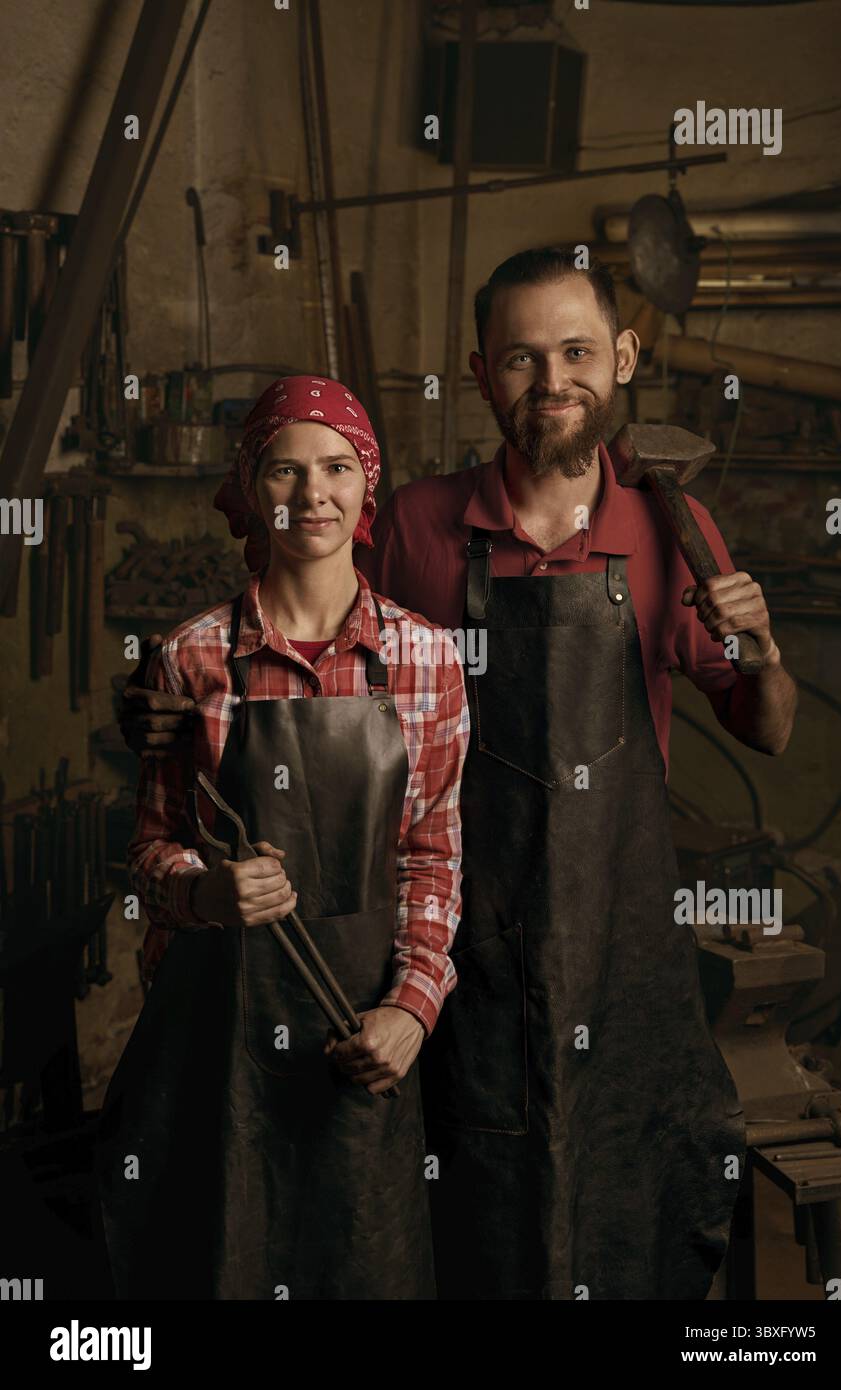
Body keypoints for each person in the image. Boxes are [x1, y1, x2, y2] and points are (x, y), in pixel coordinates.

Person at [120, 249, 797, 1301]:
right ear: (481, 373)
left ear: (620, 357)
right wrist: (159, 716)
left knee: (616, 1208)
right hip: (448, 951)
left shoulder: (673, 526)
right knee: (445, 1230)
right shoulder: (418, 530)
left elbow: (765, 731)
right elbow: (306, 645)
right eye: (522, 358)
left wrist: (758, 647)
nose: (552, 380)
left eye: (576, 351)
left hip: (611, 940)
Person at [98, 375, 469, 1301]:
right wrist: (204, 893)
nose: (313, 495)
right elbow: (147, 859)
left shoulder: (426, 659)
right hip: (216, 1053)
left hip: (362, 1040)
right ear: (251, 487)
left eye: (338, 467)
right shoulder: (189, 658)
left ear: (368, 486)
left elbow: (434, 857)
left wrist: (411, 1010)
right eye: (285, 470)